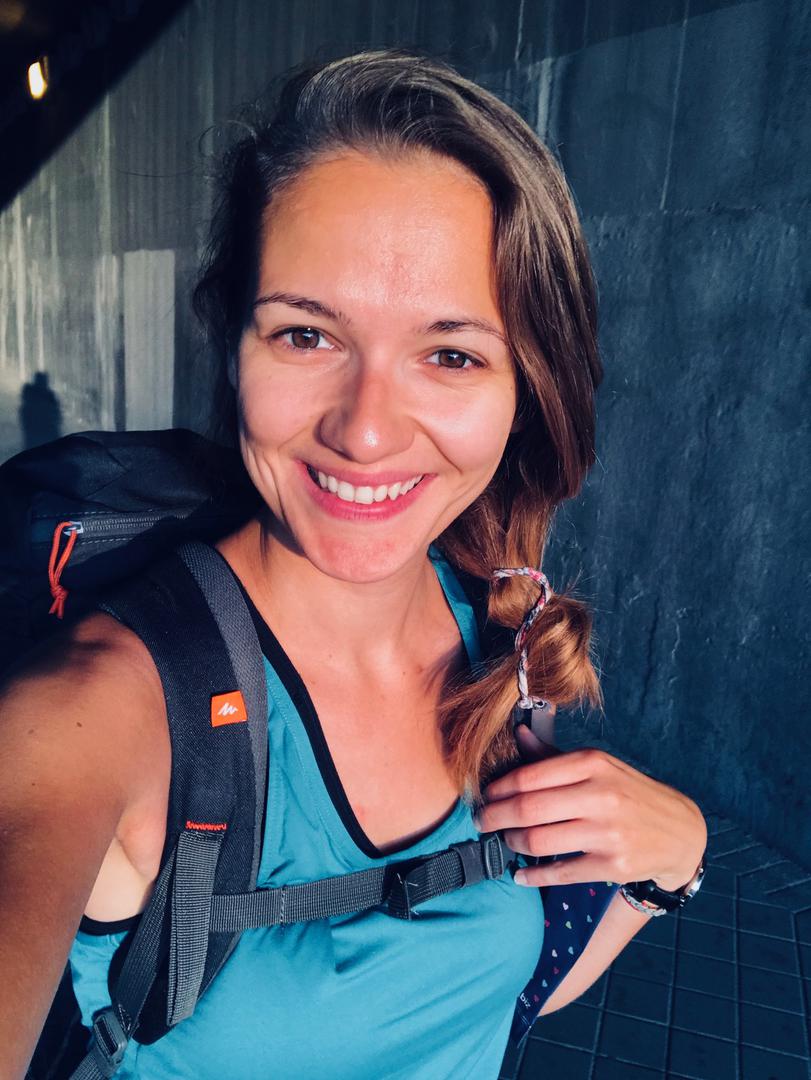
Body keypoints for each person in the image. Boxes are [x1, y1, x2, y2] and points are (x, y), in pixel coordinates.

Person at [0, 48, 707, 1079]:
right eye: (305, 335)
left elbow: (491, 992)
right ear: (232, 344)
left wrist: (669, 869)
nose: (365, 431)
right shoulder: (99, 708)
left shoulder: (495, 632)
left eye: (450, 354)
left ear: (527, 388)